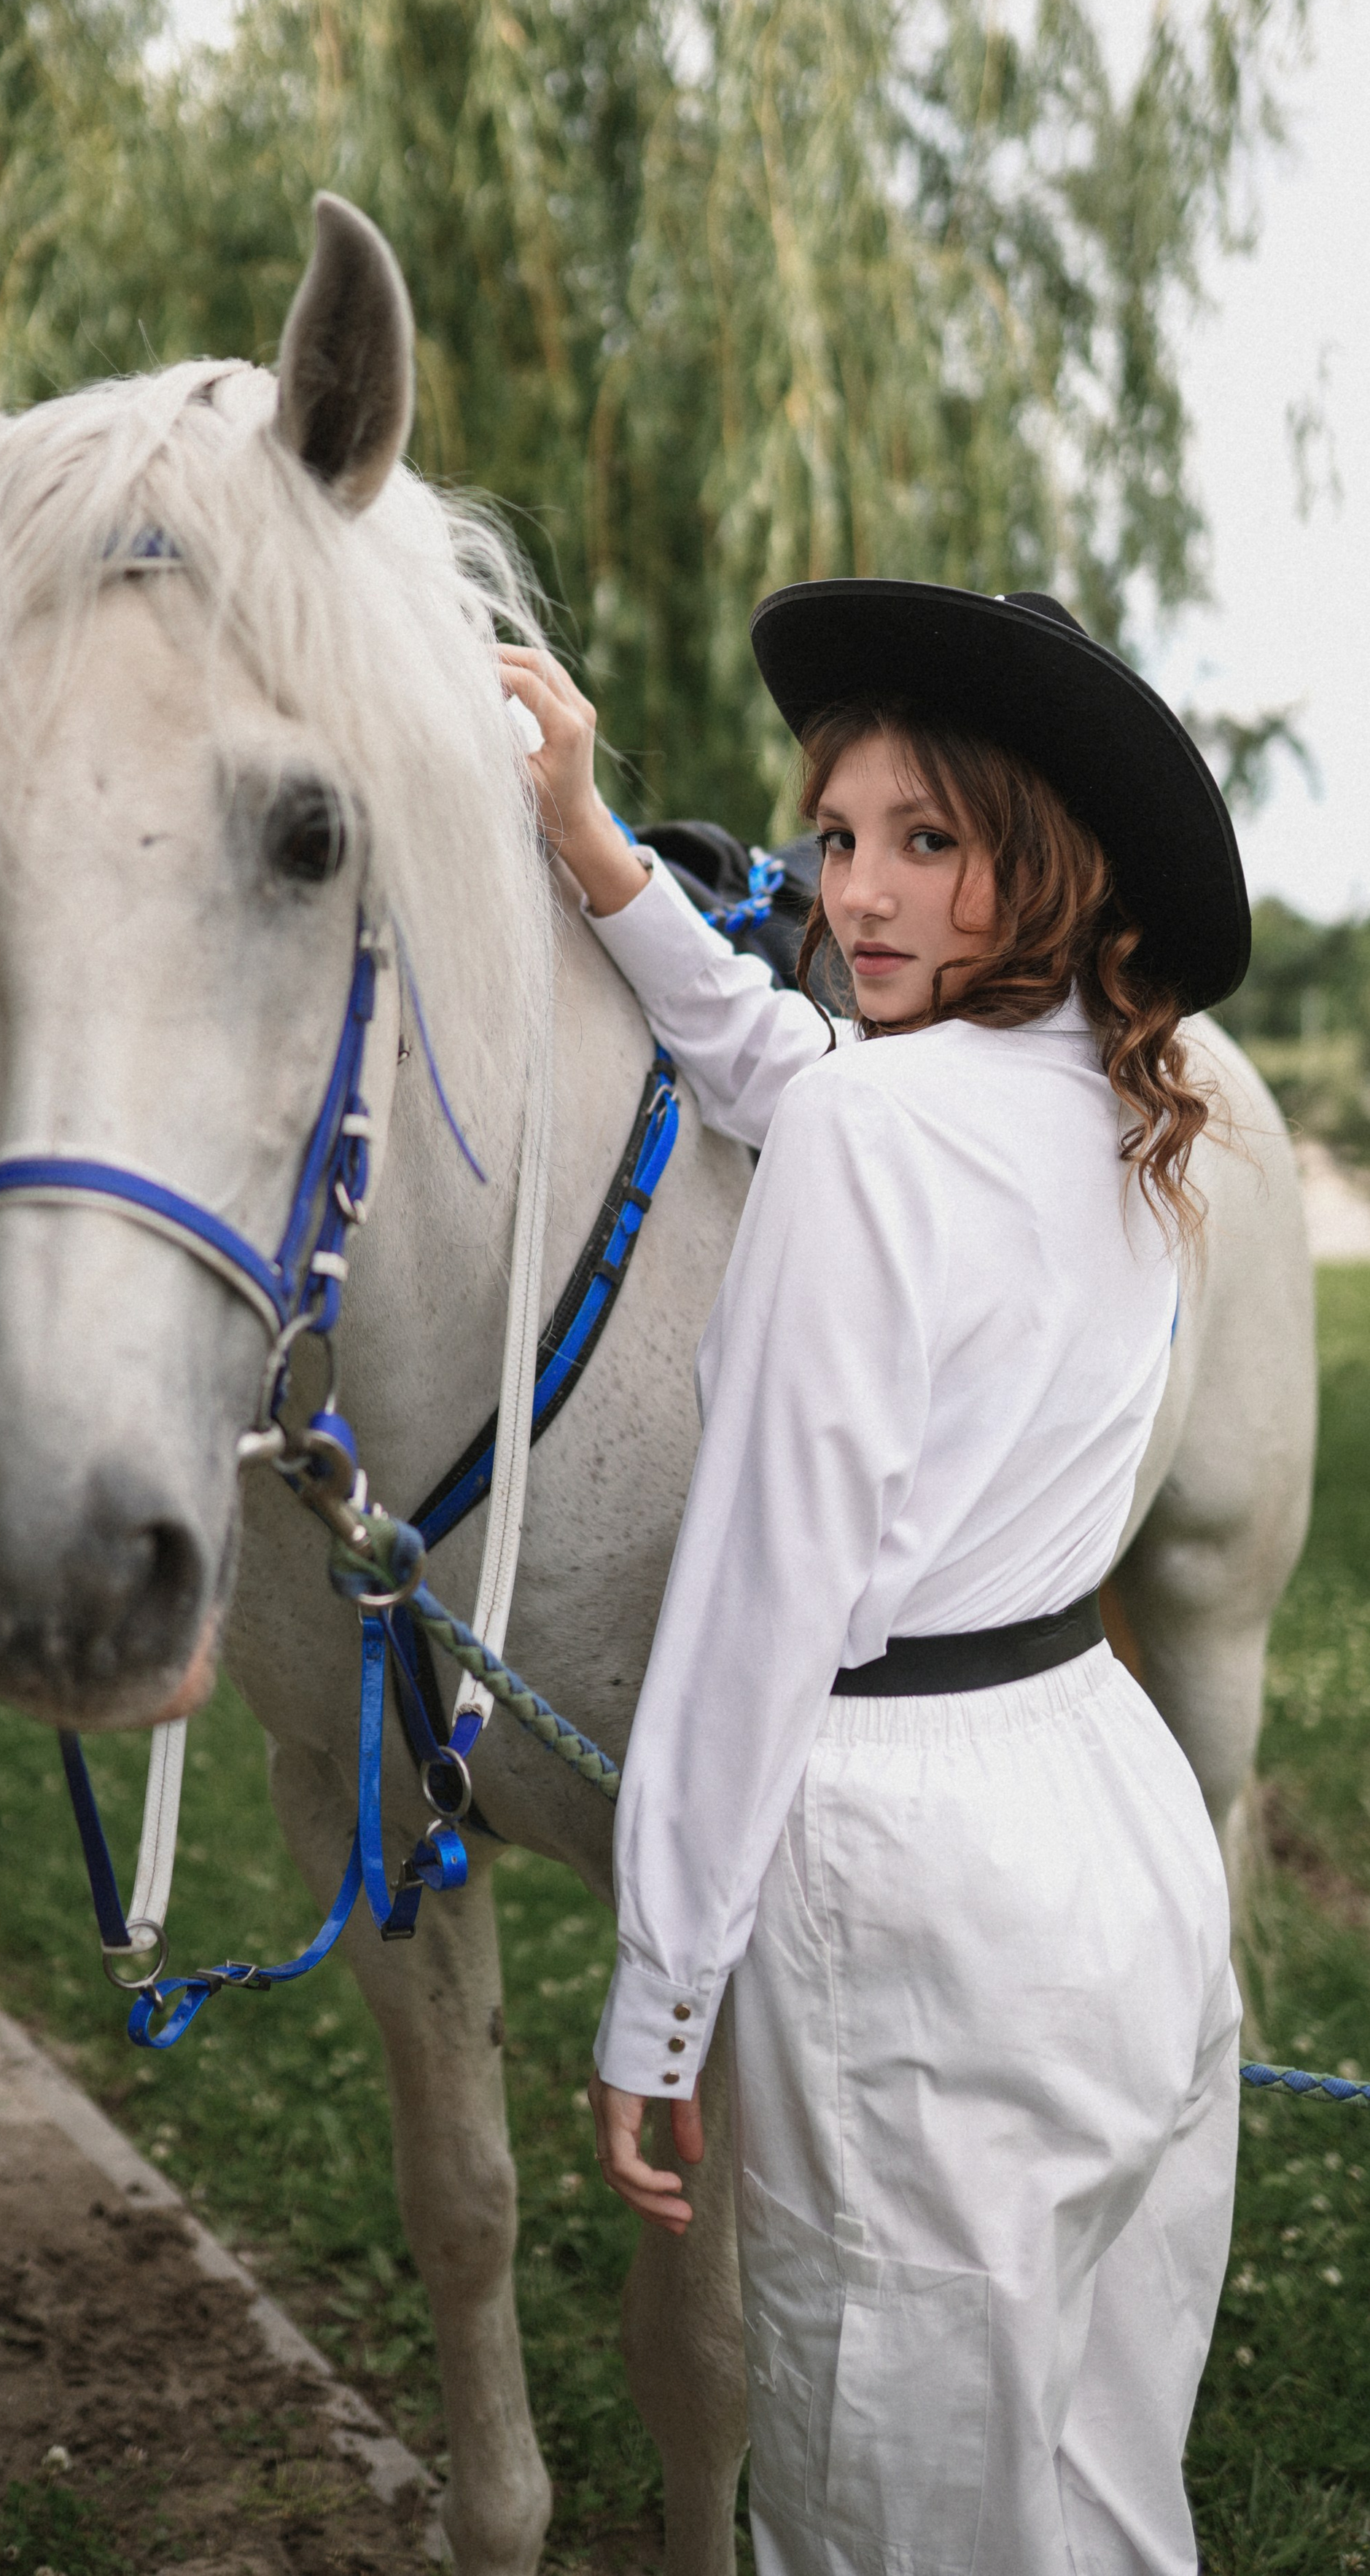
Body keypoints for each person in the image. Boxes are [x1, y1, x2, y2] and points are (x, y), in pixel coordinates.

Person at [500, 581, 1248, 2576]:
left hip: (912, 1891)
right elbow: (790, 1067)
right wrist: (599, 856)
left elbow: (754, 1607)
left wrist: (657, 1996)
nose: (857, 892)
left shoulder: (871, 1134)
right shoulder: (1124, 1095)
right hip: (1119, 1818)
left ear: (1048, 859)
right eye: (837, 840)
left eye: (930, 840)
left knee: (890, 2513)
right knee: (1100, 2468)